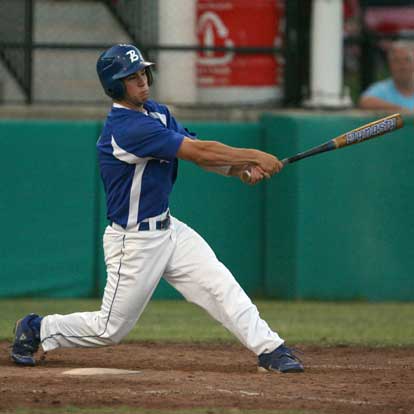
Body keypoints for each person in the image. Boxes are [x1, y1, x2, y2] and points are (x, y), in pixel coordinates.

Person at [10, 44, 304, 374]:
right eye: (131, 77)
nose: (142, 81)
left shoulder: (156, 113)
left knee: (220, 285)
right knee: (110, 329)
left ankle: (271, 350)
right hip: (134, 242)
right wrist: (254, 155)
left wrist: (240, 170)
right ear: (114, 85)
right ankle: (37, 328)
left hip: (169, 229)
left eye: (142, 73)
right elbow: (201, 152)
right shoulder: (127, 128)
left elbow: (196, 149)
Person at [358, 41, 414, 112]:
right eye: (396, 61)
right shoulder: (382, 89)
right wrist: (402, 111)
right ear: (390, 65)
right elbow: (364, 102)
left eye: (407, 60)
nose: (402, 66)